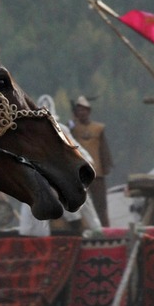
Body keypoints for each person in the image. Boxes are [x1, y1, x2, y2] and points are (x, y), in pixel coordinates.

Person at [18, 94, 103, 238]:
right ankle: (37, 236)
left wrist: (87, 160)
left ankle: (93, 229)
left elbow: (75, 147)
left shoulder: (60, 129)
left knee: (81, 197)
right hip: (41, 176)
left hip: (62, 174)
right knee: (35, 199)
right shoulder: (33, 133)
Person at [68, 95, 114, 227]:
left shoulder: (98, 128)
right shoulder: (72, 128)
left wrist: (106, 167)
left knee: (101, 205)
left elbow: (103, 149)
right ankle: (84, 229)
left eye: (84, 110)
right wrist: (72, 123)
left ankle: (105, 229)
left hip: (97, 172)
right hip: (79, 173)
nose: (82, 113)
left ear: (89, 111)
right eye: (79, 110)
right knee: (80, 204)